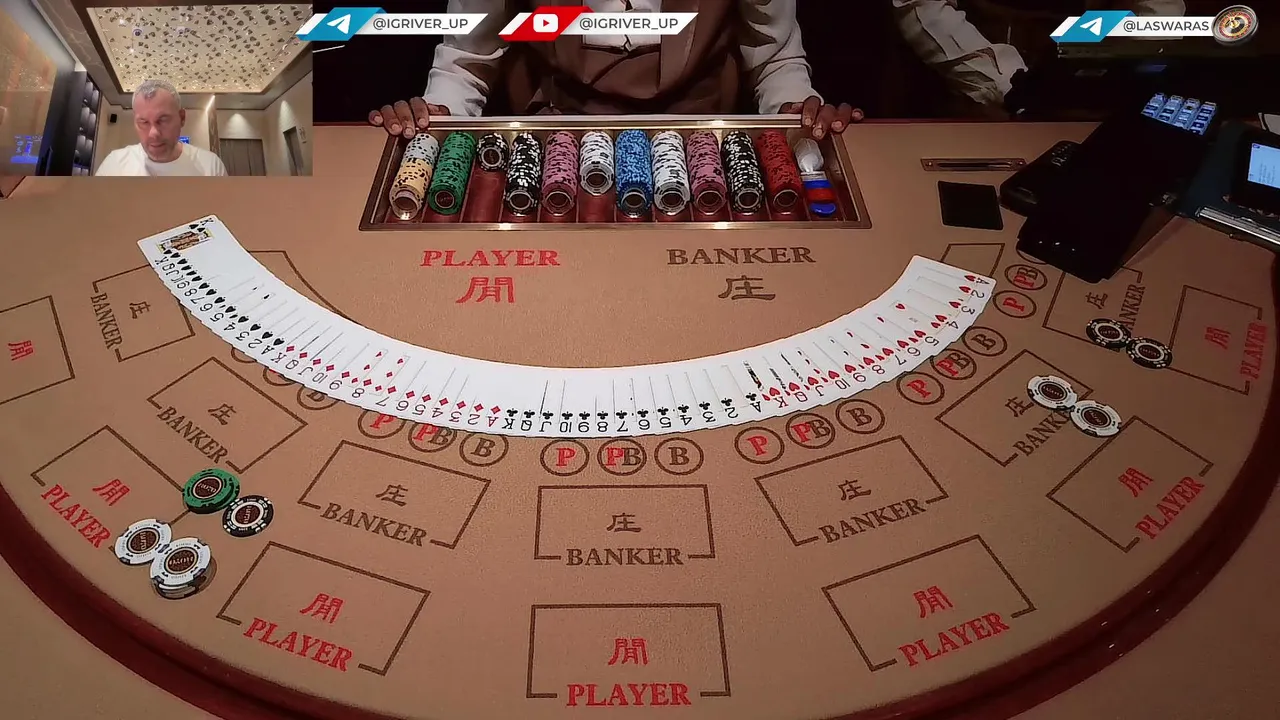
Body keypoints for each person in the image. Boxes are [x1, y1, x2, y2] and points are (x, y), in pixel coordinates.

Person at [370, 0, 860, 140]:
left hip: (703, 139)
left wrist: (795, 111)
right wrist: (437, 117)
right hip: (557, 136)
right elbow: (467, 61)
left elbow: (774, 56)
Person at [892, 0, 1187, 114]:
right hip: (972, 93)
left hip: (1096, 93)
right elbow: (921, 7)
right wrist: (1010, 86)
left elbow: (1160, 15)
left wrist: (1130, 74)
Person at [97, 80, 228, 176]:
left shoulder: (210, 167)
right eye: (144, 122)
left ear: (182, 118)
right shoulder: (114, 165)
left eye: (163, 120)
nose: (153, 133)